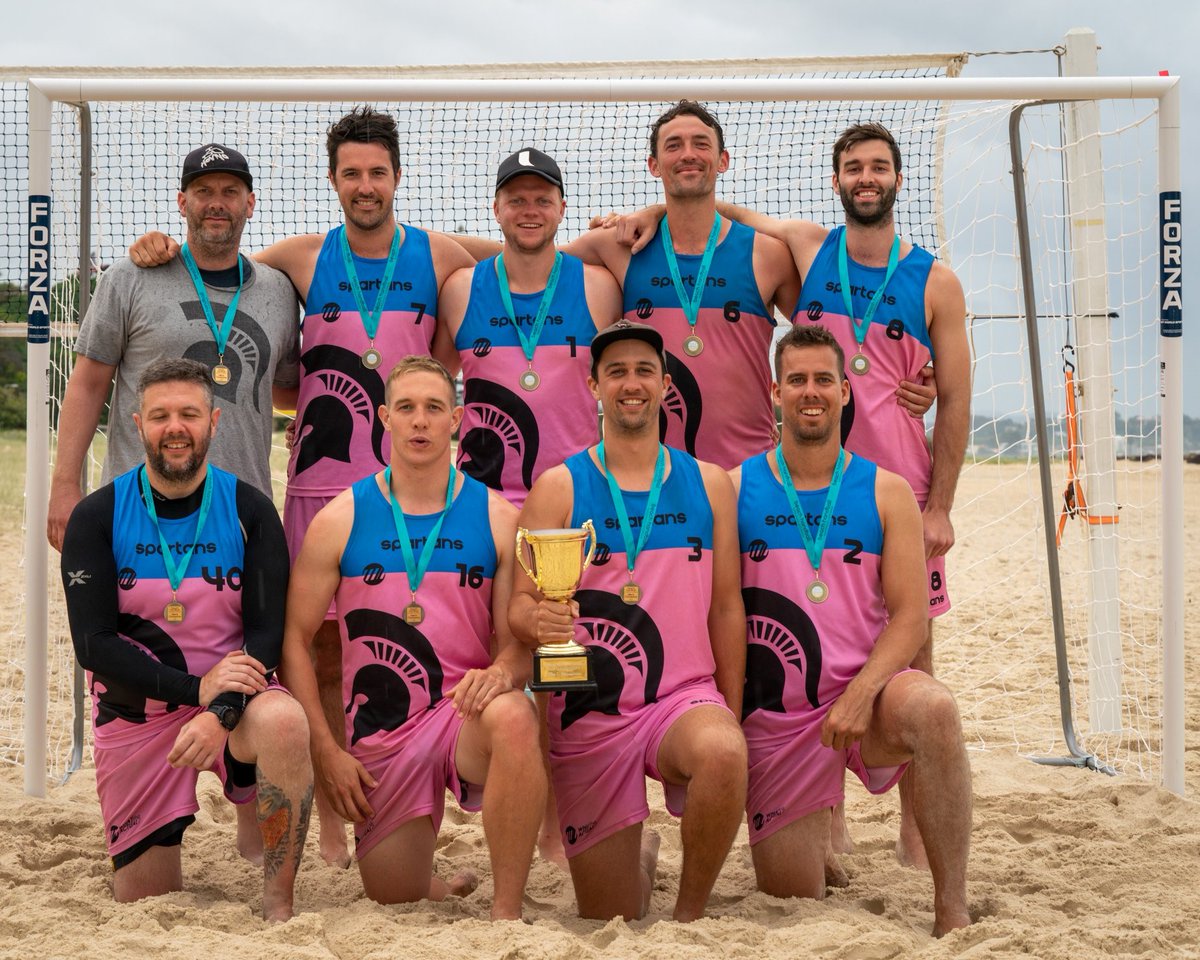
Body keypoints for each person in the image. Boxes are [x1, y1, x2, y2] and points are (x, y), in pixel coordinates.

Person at [130, 106, 476, 866]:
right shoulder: (300, 258)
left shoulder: (440, 253)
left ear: (397, 177)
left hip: (408, 489)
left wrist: (621, 227)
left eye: (377, 172)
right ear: (333, 180)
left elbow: (523, 247)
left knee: (390, 647)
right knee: (316, 655)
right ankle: (326, 826)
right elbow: (217, 268)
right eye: (351, 173)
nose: (365, 185)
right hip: (320, 487)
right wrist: (160, 244)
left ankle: (398, 802)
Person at [712, 122, 971, 867]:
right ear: (836, 180)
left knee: (915, 657)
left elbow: (955, 398)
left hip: (898, 494)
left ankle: (916, 833)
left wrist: (940, 504)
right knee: (806, 644)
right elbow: (718, 208)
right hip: (809, 487)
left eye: (879, 167)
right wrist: (634, 219)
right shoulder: (806, 246)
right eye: (853, 167)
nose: (866, 177)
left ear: (897, 180)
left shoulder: (935, 280)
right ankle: (826, 819)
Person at [279, 356, 544, 920]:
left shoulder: (499, 518)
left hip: (462, 712)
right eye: (406, 408)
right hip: (385, 733)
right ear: (384, 419)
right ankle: (437, 885)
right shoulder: (340, 518)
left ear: (457, 419)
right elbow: (294, 641)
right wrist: (326, 750)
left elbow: (518, 643)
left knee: (515, 715)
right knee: (394, 892)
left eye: (433, 408)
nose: (419, 421)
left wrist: (502, 673)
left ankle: (506, 912)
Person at [733, 324, 971, 936]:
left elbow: (911, 618)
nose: (809, 392)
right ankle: (809, 836)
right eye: (796, 380)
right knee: (794, 892)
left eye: (823, 380)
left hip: (869, 698)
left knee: (936, 709)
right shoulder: (734, 489)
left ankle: (952, 907)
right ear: (775, 393)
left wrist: (863, 692)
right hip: (781, 719)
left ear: (845, 391)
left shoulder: (888, 491)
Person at [510, 319, 747, 922]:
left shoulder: (710, 484)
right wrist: (541, 621)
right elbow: (518, 607)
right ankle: (638, 852)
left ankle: (689, 915)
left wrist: (731, 712)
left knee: (722, 751)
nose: (631, 383)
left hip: (680, 697)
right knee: (612, 914)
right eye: (616, 372)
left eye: (644, 370)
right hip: (590, 709)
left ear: (666, 385)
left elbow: (726, 607)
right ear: (594, 386)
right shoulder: (559, 486)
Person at [60, 358, 312, 922]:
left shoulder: (250, 509)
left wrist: (219, 711)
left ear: (214, 422)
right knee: (145, 899)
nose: (175, 428)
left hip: (234, 706)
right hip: (139, 714)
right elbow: (94, 645)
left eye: (189, 414)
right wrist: (196, 691)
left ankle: (279, 899)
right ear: (137, 424)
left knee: (285, 721)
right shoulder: (97, 516)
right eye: (160, 416)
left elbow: (265, 635)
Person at [446, 101, 799, 470]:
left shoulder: (768, 255)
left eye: (700, 143)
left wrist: (654, 210)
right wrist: (426, 243)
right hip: (650, 477)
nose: (688, 154)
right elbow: (533, 256)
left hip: (749, 472)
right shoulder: (619, 248)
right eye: (674, 145)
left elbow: (818, 339)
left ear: (723, 160)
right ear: (653, 165)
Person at [48, 143, 299, 550]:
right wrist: (64, 485)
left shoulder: (279, 291)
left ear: (250, 204)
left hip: (239, 512)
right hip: (137, 508)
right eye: (203, 191)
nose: (216, 203)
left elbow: (286, 390)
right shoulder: (129, 277)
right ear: (183, 202)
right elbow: (88, 384)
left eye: (230, 192)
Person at [433, 146, 620, 508]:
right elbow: (433, 388)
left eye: (542, 200)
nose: (530, 211)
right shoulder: (460, 290)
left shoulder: (600, 287)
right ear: (496, 209)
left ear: (562, 209)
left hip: (576, 498)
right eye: (516, 200)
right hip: (481, 501)